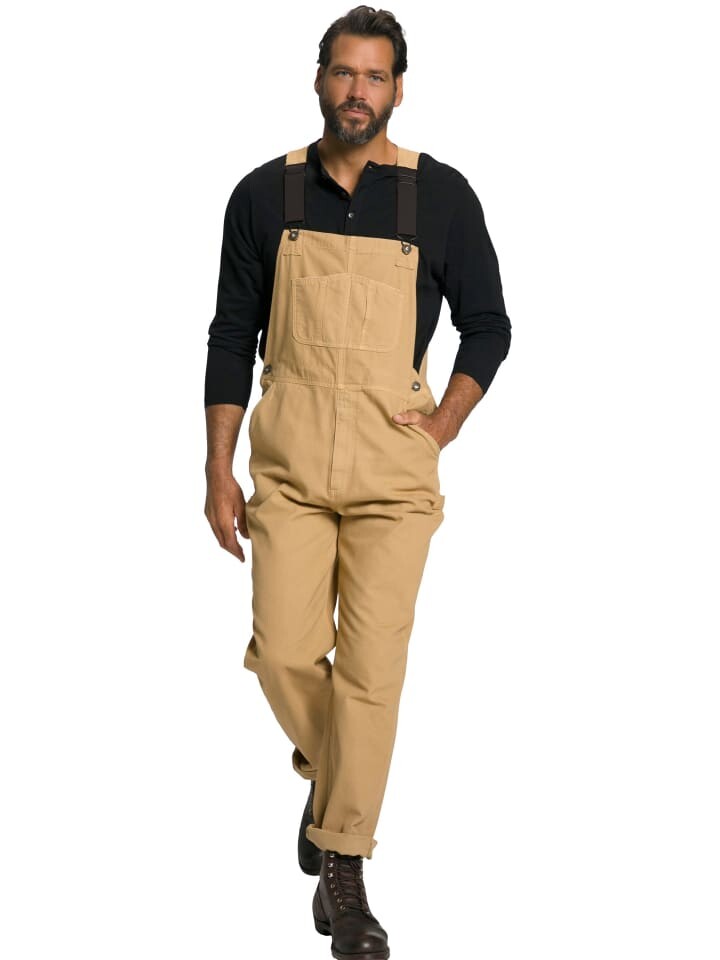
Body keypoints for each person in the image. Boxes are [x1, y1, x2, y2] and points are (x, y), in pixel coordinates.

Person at [203, 6, 511, 957]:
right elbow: (231, 335)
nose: (357, 91)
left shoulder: (441, 197)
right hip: (290, 468)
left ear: (398, 89)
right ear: (318, 80)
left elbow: (490, 325)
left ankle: (344, 874)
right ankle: (336, 782)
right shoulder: (263, 195)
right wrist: (216, 465)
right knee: (285, 653)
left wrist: (445, 421)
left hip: (392, 475)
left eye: (375, 76)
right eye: (344, 72)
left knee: (374, 675)